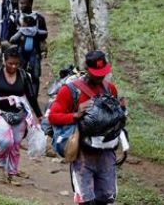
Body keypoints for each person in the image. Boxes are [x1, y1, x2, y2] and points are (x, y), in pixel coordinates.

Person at [48, 51, 120, 205]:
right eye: (96, 74)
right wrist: (76, 114)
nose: (100, 77)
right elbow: (53, 117)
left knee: (107, 197)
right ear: (87, 69)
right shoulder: (70, 90)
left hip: (106, 152)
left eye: (103, 73)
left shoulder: (111, 89)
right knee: (86, 200)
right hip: (82, 153)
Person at [0, 47, 43, 185]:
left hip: (19, 113)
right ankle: (0, 166)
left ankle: (12, 173)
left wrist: (39, 115)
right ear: (4, 61)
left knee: (16, 145)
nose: (13, 66)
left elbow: (31, 97)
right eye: (10, 63)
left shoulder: (24, 76)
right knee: (6, 141)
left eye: (16, 64)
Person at [12, 0, 48, 97]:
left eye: (24, 3)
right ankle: (20, 95)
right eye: (20, 3)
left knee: (35, 75)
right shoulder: (16, 17)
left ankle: (34, 97)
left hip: (35, 51)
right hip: (20, 51)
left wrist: (33, 33)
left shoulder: (39, 18)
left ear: (30, 4)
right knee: (19, 73)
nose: (21, 6)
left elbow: (45, 34)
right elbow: (12, 36)